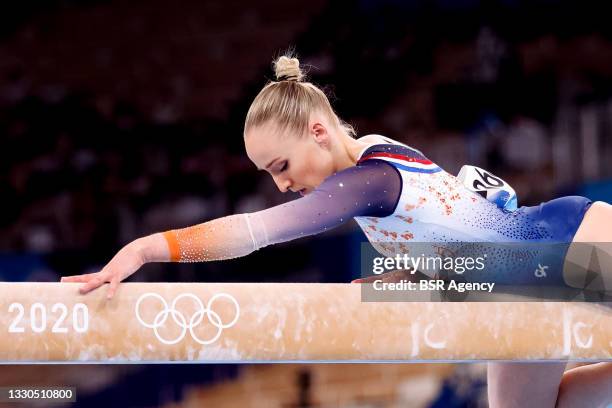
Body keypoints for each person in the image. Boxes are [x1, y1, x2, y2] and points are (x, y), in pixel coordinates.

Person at [61, 54, 612, 407]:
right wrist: (409, 275)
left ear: (319, 131)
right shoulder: (375, 175)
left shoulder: (367, 180)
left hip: (567, 245)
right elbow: (466, 241)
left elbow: (256, 231)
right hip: (516, 289)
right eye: (268, 175)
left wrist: (145, 248)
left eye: (281, 167)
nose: (280, 186)